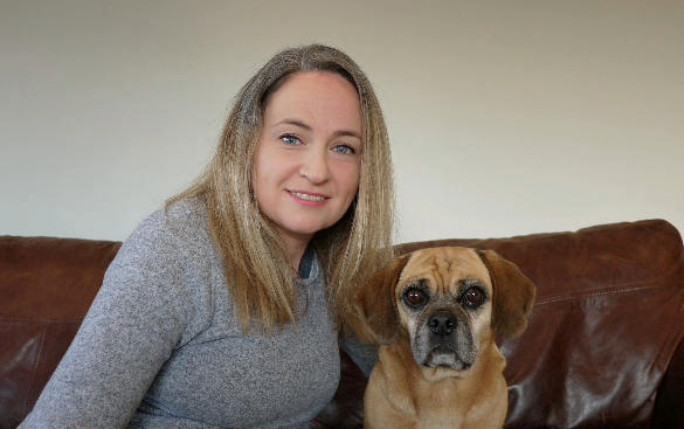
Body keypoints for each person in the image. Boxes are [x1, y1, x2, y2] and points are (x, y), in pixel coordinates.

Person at [19, 44, 395, 428]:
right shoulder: (175, 246)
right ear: (246, 143)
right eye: (291, 138)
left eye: (344, 148)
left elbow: (408, 366)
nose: (317, 170)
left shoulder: (338, 263)